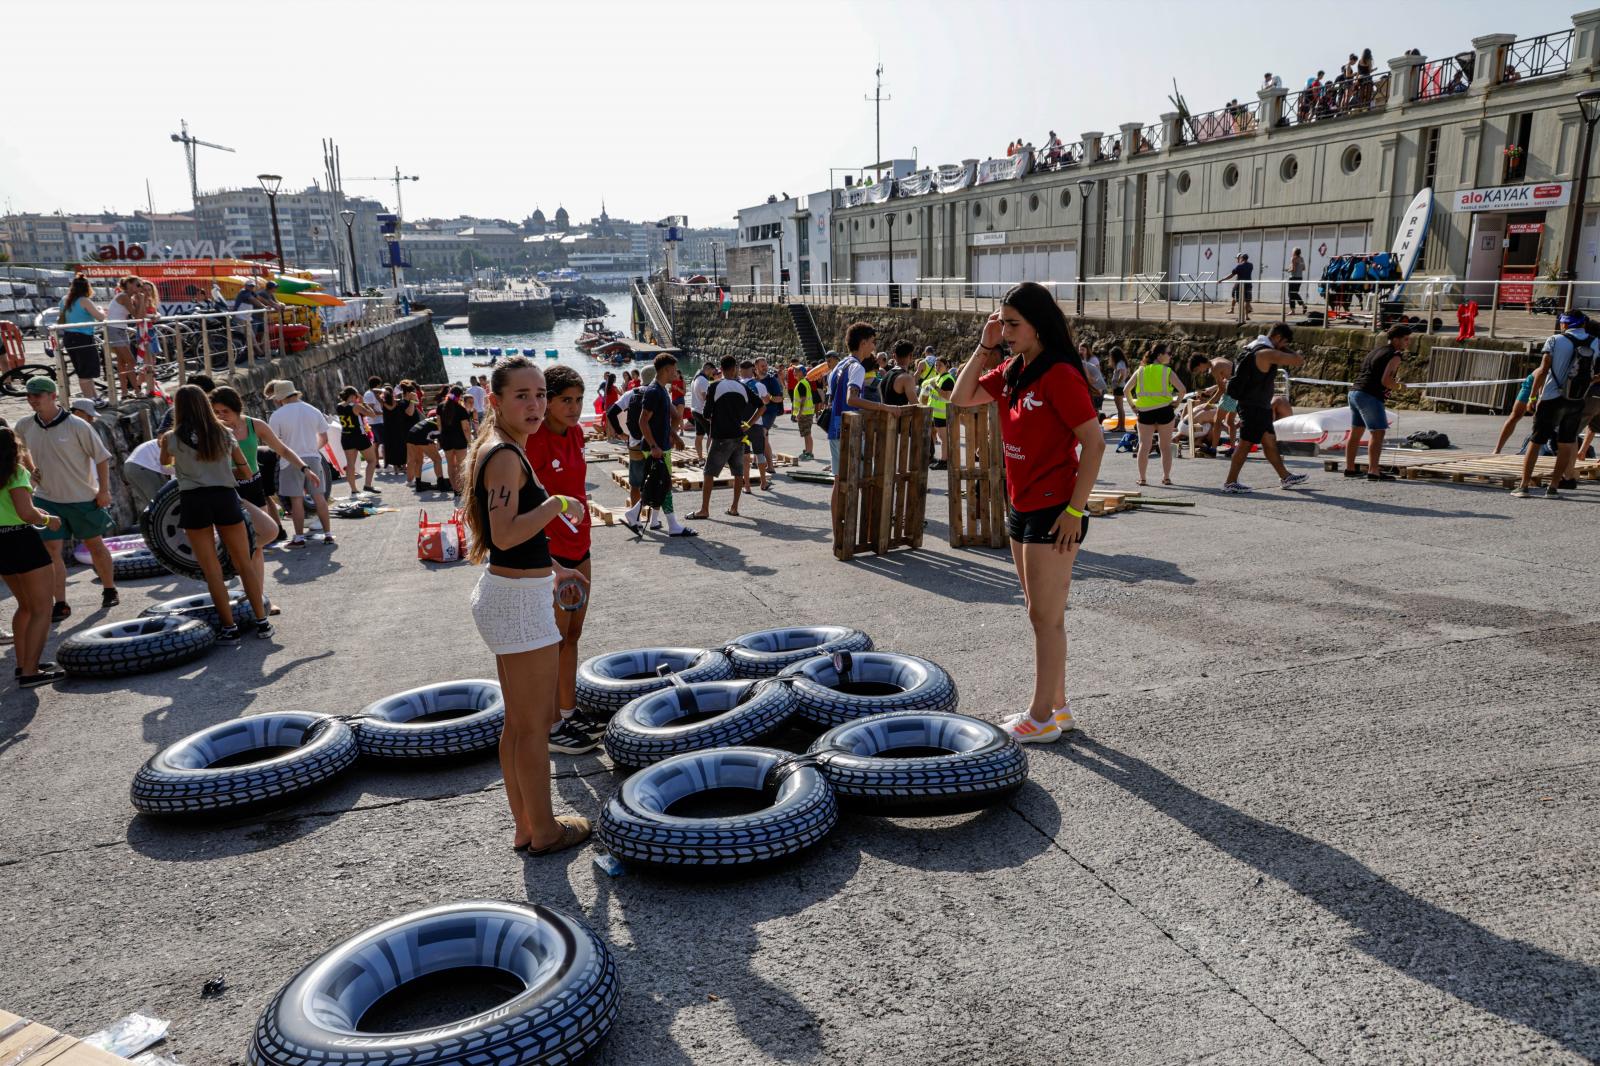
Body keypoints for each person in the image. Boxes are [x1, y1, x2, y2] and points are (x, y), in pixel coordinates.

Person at [948, 282, 1104, 743]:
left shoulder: (1058, 373)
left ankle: (1039, 718)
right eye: (1002, 321)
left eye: (1014, 323)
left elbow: (1094, 443)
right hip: (1021, 505)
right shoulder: (1015, 369)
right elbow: (961, 398)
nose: (1006, 330)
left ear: (1039, 324)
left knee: (1045, 618)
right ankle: (1057, 707)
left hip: (1055, 509)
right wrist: (985, 344)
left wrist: (1075, 511)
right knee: (1042, 613)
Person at [462, 355, 591, 856]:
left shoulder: (501, 448)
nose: (536, 404)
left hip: (512, 590)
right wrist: (557, 503)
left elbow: (510, 541)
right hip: (517, 604)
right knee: (535, 727)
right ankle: (546, 830)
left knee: (517, 723)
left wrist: (553, 567)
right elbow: (505, 531)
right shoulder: (506, 456)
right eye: (523, 396)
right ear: (495, 400)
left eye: (540, 394)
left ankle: (525, 825)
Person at [524, 365, 604, 755]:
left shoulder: (576, 433)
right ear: (548, 401)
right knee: (552, 639)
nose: (574, 408)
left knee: (572, 635)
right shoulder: (532, 441)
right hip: (551, 553)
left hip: (581, 546)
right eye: (565, 400)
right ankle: (552, 724)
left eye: (578, 400)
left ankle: (568, 710)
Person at [160, 385, 272, 641]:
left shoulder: (171, 437)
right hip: (224, 497)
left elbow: (164, 463)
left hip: (193, 500)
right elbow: (245, 471)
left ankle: (229, 628)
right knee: (244, 562)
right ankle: (262, 621)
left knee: (212, 571)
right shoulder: (224, 432)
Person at [16, 376, 117, 618]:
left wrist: (104, 491)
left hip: (81, 497)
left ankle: (109, 589)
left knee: (94, 545)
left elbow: (102, 458)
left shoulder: (78, 425)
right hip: (46, 499)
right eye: (29, 396)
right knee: (51, 550)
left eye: (37, 396)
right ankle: (60, 602)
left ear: (53, 397)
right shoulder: (24, 425)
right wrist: (32, 469)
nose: (32, 401)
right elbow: (21, 450)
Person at [211, 385, 307, 595]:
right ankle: (246, 586)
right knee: (240, 544)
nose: (221, 416)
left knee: (259, 544)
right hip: (229, 490)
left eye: (225, 411)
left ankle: (259, 597)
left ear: (236, 408)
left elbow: (282, 449)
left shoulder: (255, 425)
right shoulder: (214, 432)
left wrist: (304, 468)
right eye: (216, 412)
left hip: (253, 487)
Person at [827, 324, 911, 531]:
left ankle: (838, 529)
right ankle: (872, 527)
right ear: (863, 342)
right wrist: (884, 407)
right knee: (870, 480)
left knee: (839, 482)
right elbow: (852, 398)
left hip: (834, 429)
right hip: (852, 430)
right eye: (873, 342)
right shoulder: (857, 367)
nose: (874, 347)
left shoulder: (838, 366)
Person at [1, 425, 66, 686]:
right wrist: (48, 519)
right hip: (21, 539)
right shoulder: (15, 472)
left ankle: (23, 664)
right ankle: (30, 672)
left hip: (1, 543)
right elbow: (26, 513)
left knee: (25, 607)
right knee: (42, 608)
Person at [1220, 324, 1310, 493]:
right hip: (1254, 407)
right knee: (1245, 444)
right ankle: (1230, 482)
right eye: (1283, 342)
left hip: (1258, 405)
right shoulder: (1267, 353)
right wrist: (1284, 347)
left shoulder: (1252, 347)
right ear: (1277, 337)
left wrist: (1280, 344)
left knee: (1269, 442)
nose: (1283, 346)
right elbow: (1299, 360)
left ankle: (1285, 476)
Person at [1513, 311, 1592, 498]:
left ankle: (1523, 486)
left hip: (1551, 397)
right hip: (1577, 399)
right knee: (1566, 443)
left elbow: (1543, 369)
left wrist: (1532, 397)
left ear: (1565, 324)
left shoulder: (1555, 340)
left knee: (1536, 440)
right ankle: (1553, 487)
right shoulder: (1596, 342)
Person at [625, 353, 695, 535]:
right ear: (665, 370)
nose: (677, 373)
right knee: (664, 484)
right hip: (655, 448)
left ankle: (637, 514)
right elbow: (643, 421)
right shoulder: (654, 391)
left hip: (662, 445)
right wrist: (654, 445)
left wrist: (675, 436)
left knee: (659, 484)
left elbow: (665, 419)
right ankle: (672, 525)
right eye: (674, 370)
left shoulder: (662, 390)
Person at [265, 379, 336, 547]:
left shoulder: (278, 415)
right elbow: (324, 437)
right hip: (313, 457)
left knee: (296, 500)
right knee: (319, 497)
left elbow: (273, 443)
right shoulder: (312, 410)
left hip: (290, 460)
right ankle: (328, 534)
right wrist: (312, 448)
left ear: (279, 397)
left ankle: (299, 538)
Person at [689, 354, 758, 520]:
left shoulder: (714, 386)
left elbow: (706, 414)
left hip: (721, 436)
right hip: (739, 435)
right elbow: (762, 406)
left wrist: (719, 419)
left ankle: (704, 509)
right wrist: (748, 423)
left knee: (709, 473)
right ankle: (734, 508)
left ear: (721, 368)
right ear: (735, 369)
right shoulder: (743, 387)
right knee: (737, 472)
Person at [1343, 325, 1410, 481]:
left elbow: (1375, 374)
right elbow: (1386, 381)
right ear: (1396, 339)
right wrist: (1400, 386)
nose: (1408, 342)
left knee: (1356, 432)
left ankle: (1350, 468)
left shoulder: (1376, 351)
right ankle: (1374, 471)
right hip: (1369, 395)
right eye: (1406, 339)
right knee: (1378, 432)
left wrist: (1393, 382)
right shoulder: (1395, 355)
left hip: (1355, 392)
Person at [1127, 342, 1183, 486]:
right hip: (1165, 410)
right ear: (1159, 355)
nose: (1171, 356)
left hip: (1145, 412)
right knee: (1165, 447)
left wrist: (1133, 406)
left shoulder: (1140, 371)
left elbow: (1125, 390)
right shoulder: (1167, 371)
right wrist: (1176, 403)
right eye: (1168, 353)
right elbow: (1182, 389)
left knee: (1144, 446)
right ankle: (1166, 477)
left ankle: (1142, 478)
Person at [57, 275, 107, 407]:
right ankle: (89, 401)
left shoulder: (64, 299)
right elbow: (101, 317)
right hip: (82, 338)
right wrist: (100, 309)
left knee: (84, 370)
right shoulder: (84, 300)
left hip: (69, 337)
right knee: (85, 372)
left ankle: (94, 398)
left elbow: (61, 319)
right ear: (87, 287)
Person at [335, 387, 380, 496]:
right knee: (372, 460)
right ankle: (368, 485)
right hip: (359, 436)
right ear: (353, 395)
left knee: (350, 464)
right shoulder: (357, 406)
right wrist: (364, 403)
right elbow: (373, 415)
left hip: (346, 437)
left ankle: (354, 489)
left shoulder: (339, 406)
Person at [738, 359, 773, 492]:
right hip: (756, 425)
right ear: (753, 370)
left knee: (745, 456)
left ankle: (746, 486)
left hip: (742, 427)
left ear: (740, 370)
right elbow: (766, 401)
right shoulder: (759, 385)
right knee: (759, 454)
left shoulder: (737, 385)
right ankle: (763, 482)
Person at [436, 386, 473, 495]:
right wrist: (470, 442)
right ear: (460, 396)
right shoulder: (461, 409)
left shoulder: (440, 406)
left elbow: (439, 426)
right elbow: (466, 428)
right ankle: (462, 488)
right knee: (461, 465)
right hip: (459, 440)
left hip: (446, 440)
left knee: (450, 465)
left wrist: (440, 439)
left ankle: (455, 489)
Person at [122, 435, 172, 515]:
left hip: (129, 468)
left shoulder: (165, 440)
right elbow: (166, 468)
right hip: (142, 466)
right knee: (163, 500)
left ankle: (156, 525)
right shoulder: (174, 444)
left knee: (152, 504)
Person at [923, 355, 957, 469]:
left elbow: (947, 396)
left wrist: (935, 388)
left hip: (942, 414)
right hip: (936, 413)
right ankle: (943, 460)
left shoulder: (947, 379)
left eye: (940, 365)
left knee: (943, 438)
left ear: (946, 366)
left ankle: (944, 461)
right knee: (942, 438)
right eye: (936, 365)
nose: (937, 367)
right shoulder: (939, 377)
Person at [407, 402, 448, 494]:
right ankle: (441, 484)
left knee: (419, 461)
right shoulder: (442, 424)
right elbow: (442, 441)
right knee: (437, 459)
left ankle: (418, 485)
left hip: (411, 433)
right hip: (421, 435)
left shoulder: (433, 419)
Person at [1495, 372, 1539, 454]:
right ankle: (1497, 450)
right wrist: (1532, 398)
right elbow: (1543, 370)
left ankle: (1533, 450)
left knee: (1542, 419)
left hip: (1553, 385)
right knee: (1515, 416)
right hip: (1534, 381)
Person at [756, 355, 785, 476]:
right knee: (764, 438)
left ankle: (766, 464)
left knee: (762, 434)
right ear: (756, 367)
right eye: (762, 366)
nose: (765, 368)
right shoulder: (753, 380)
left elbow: (780, 398)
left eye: (766, 365)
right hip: (757, 412)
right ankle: (768, 465)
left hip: (769, 412)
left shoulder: (772, 380)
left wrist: (769, 397)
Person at [688, 361, 716, 459]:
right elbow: (706, 398)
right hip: (702, 412)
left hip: (695, 410)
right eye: (712, 372)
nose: (713, 374)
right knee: (711, 435)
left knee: (699, 435)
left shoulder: (695, 378)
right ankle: (710, 458)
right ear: (707, 369)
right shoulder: (704, 381)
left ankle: (700, 458)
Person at [790, 360, 817, 460]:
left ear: (802, 372)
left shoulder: (801, 384)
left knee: (807, 434)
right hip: (806, 412)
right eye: (794, 370)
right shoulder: (803, 382)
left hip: (805, 413)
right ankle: (807, 451)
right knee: (806, 433)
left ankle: (809, 453)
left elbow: (803, 399)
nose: (794, 372)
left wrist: (799, 413)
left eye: (796, 370)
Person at [363, 376, 386, 466]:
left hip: (374, 422)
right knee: (384, 443)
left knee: (376, 443)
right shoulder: (370, 394)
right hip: (377, 422)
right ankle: (385, 463)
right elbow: (371, 411)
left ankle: (377, 463)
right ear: (377, 385)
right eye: (379, 385)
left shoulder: (371, 394)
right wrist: (383, 413)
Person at [1223, 253, 1255, 317]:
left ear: (1241, 258)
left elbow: (1231, 275)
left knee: (1239, 301)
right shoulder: (1251, 265)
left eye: (1239, 258)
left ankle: (1240, 316)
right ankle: (1246, 316)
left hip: (1239, 285)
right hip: (1248, 284)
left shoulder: (1239, 266)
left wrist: (1222, 279)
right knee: (1247, 301)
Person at [1107, 348, 1130, 430]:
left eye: (1111, 355)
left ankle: (1122, 427)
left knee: (1120, 408)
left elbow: (1122, 374)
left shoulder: (1120, 363)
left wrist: (1117, 383)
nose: (1110, 357)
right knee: (1119, 408)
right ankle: (1119, 426)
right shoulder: (1121, 363)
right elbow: (1126, 374)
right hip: (1119, 387)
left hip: (1119, 387)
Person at [1288, 248, 1307, 314]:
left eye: (1293, 251)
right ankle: (1303, 305)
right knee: (1295, 293)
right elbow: (1304, 268)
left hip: (1293, 278)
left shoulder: (1293, 258)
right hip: (1299, 278)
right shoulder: (1301, 259)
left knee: (1291, 294)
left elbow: (1293, 269)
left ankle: (1292, 310)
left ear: (1295, 252)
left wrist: (1288, 270)